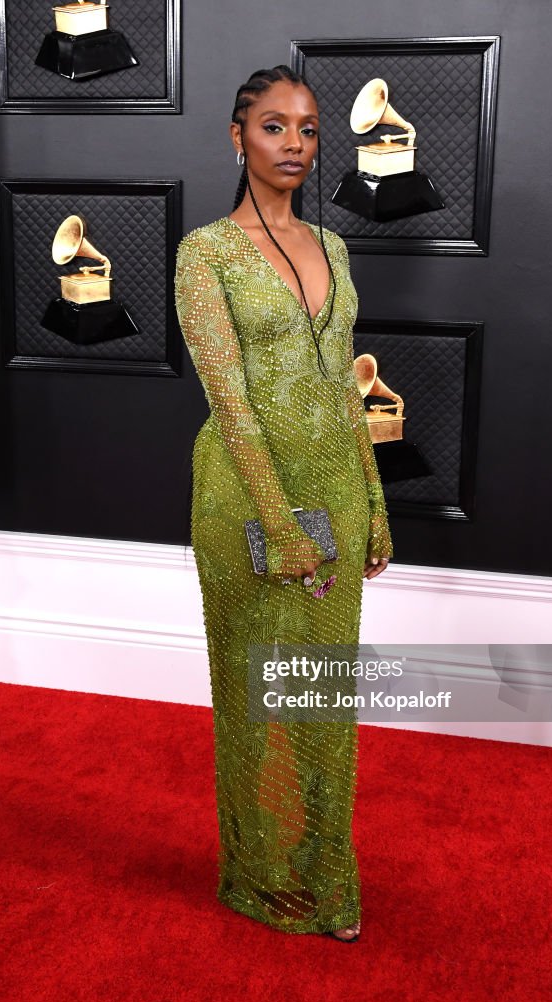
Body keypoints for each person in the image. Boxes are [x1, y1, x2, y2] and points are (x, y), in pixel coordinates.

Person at [174, 64, 393, 943]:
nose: (294, 144)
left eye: (306, 129)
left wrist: (372, 502)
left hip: (335, 486)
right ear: (237, 138)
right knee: (254, 688)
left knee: (321, 696)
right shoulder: (206, 252)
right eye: (273, 127)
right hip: (243, 496)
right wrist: (277, 522)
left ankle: (322, 869)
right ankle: (260, 877)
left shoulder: (333, 248)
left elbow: (345, 387)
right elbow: (229, 401)